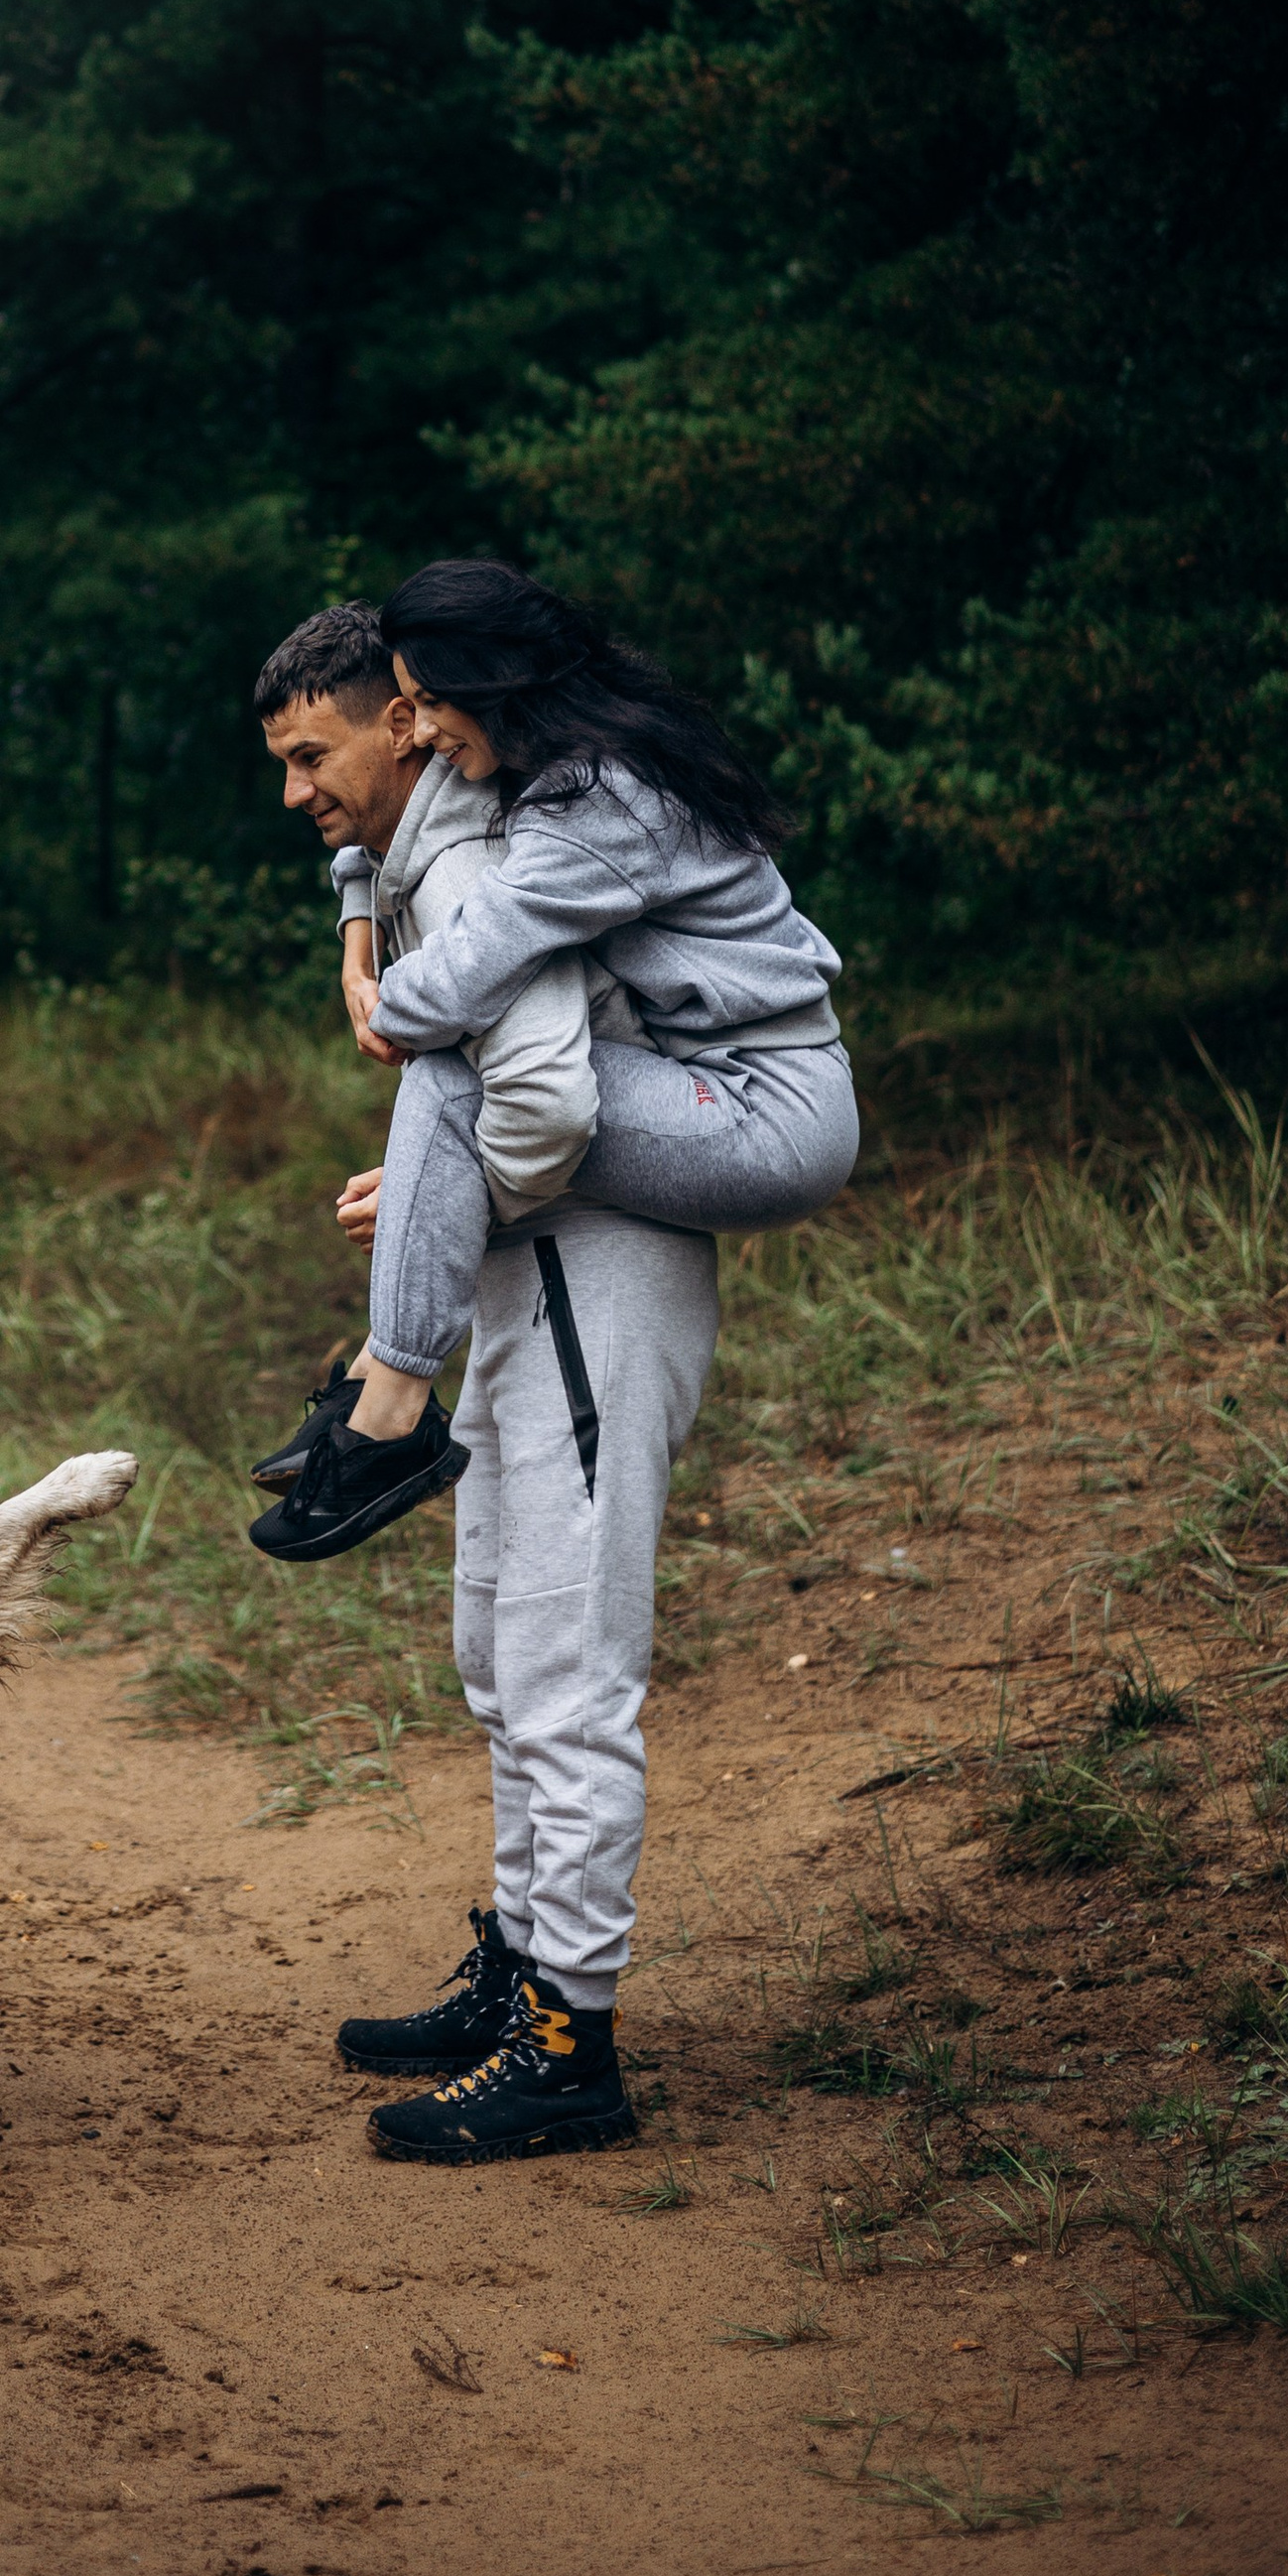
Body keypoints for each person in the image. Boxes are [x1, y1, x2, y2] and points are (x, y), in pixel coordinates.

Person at [254, 560, 858, 2163]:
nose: (410, 729)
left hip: (741, 1133)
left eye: (413, 707)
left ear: (466, 698)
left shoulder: (592, 805)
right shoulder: (502, 786)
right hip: (612, 1185)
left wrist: (386, 1003)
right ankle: (525, 1965)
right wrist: (362, 922)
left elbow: (508, 1057)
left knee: (567, 1659)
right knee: (500, 1650)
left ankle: (569, 2047)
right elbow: (427, 874)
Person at [248, 601, 600, 1537]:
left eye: (311, 759)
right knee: (498, 1597)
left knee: (557, 1584)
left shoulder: (462, 877)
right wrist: (354, 941)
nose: (292, 792)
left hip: (592, 1242)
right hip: (536, 1235)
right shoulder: (408, 838)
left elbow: (548, 1102)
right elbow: (366, 857)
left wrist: (431, 1197)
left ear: (403, 727)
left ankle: (386, 1401)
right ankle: (383, 1388)